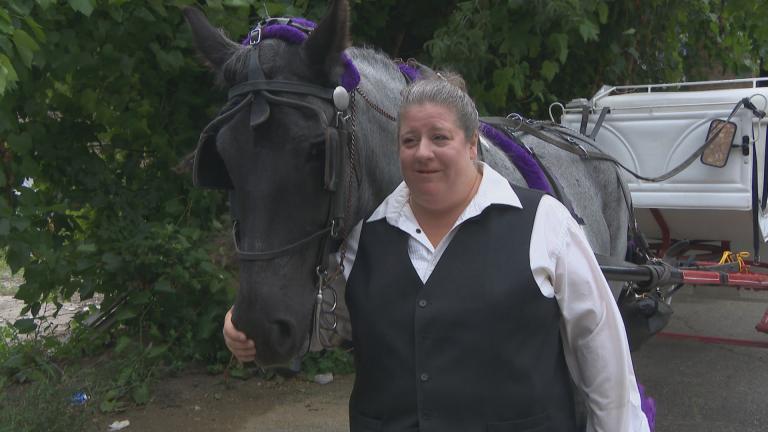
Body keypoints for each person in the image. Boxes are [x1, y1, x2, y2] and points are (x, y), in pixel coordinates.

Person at [224, 75, 650, 432]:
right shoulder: (365, 239)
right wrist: (244, 330)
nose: (422, 151)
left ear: (471, 144)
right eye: (410, 139)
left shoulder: (544, 225)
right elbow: (325, 325)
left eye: (439, 137)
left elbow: (604, 362)